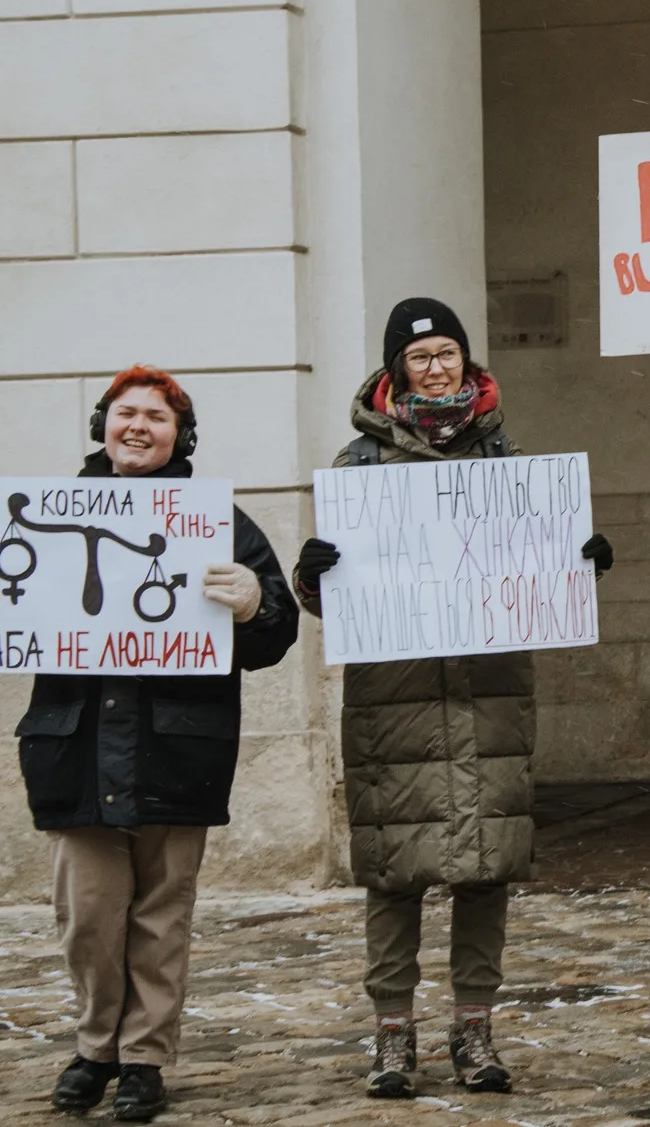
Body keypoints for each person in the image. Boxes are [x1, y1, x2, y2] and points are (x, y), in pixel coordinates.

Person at [289, 298, 613, 1100]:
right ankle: (391, 1032)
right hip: (393, 696)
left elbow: (532, 563)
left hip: (485, 693)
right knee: (394, 872)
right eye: (420, 354)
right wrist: (315, 571)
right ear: (397, 367)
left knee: (484, 867)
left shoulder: (504, 455)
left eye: (447, 352)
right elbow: (327, 600)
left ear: (467, 361)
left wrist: (578, 559)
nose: (436, 366)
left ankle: (475, 1029)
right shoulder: (360, 464)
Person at [16, 366, 299, 1121]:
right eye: (124, 412)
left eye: (156, 416)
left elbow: (276, 629)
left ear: (180, 434)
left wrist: (253, 603)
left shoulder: (219, 521)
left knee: (160, 916)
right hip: (76, 748)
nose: (137, 425)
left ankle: (144, 1056)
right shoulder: (43, 515)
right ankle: (94, 1045)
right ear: (103, 425)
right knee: (89, 917)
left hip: (178, 745)